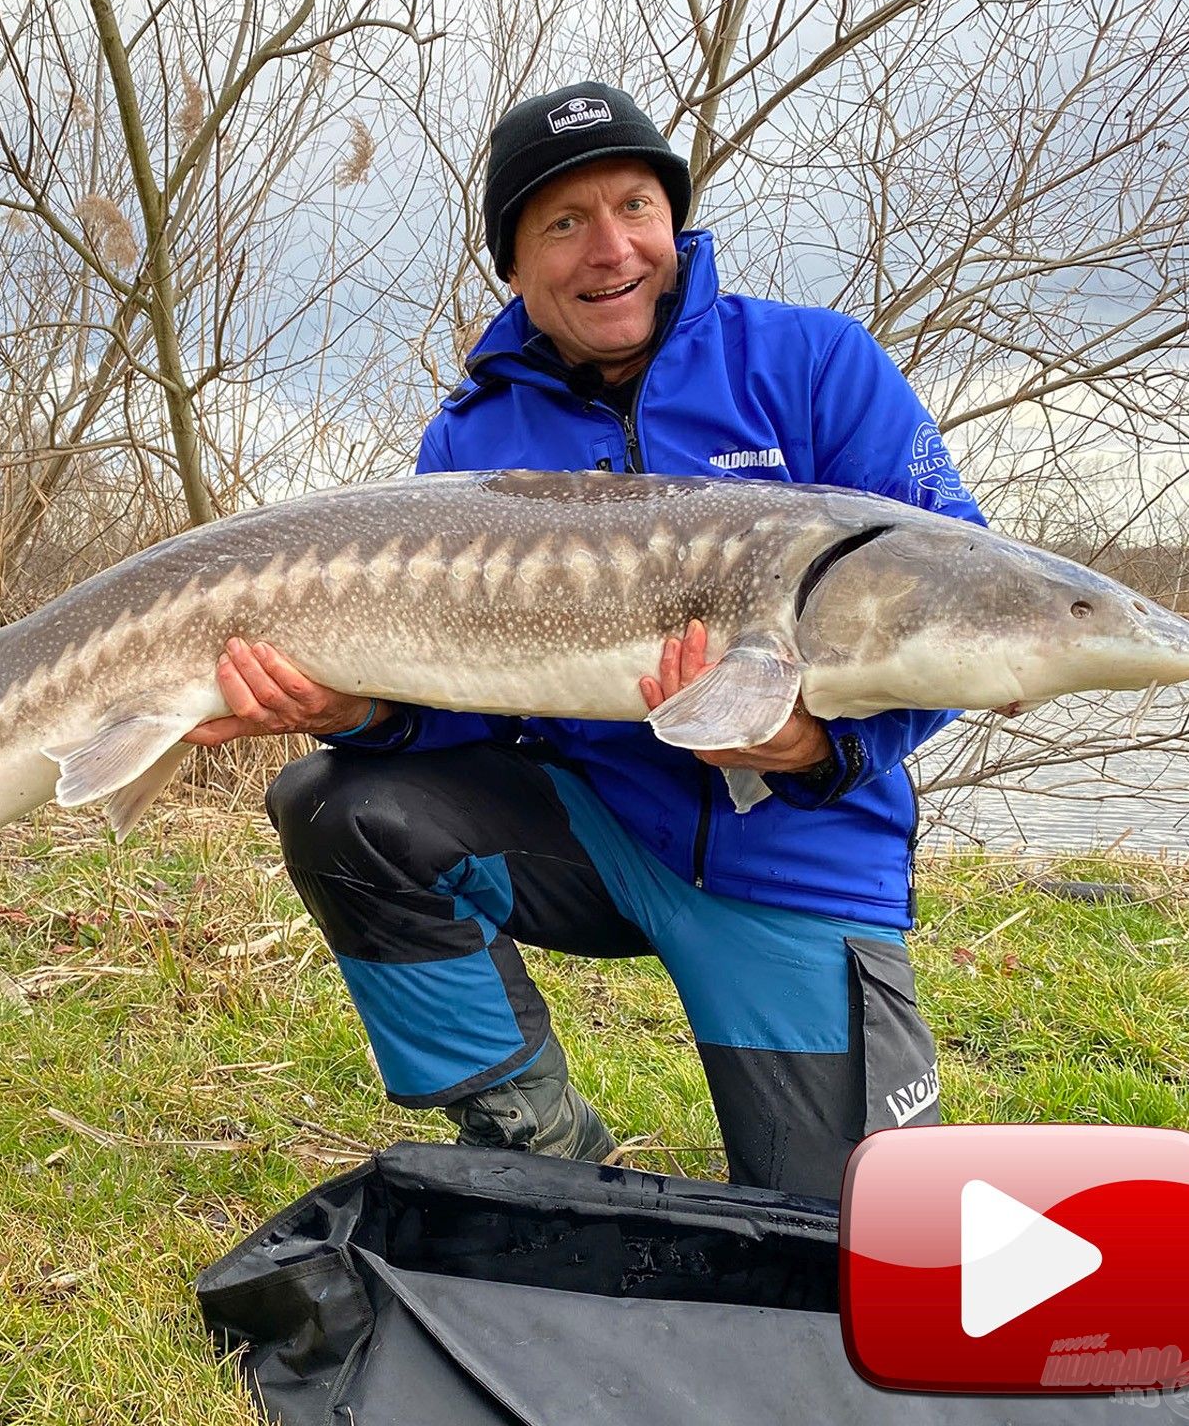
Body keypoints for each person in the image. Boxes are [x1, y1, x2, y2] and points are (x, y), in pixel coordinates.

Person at [184, 81, 983, 1198]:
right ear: (513, 264)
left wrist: (817, 750)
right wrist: (357, 710)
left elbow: (953, 608)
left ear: (674, 221)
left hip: (796, 857)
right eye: (563, 224)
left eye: (636, 208)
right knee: (339, 803)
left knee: (854, 1229)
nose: (611, 250)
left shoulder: (812, 367)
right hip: (594, 830)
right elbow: (463, 701)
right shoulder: (471, 436)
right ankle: (537, 1147)